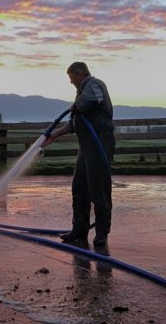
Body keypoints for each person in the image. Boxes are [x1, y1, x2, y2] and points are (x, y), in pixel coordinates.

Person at [42, 61, 114, 247]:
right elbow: (74, 122)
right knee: (79, 187)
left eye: (71, 77)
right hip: (86, 146)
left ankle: (102, 233)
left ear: (80, 73)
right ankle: (79, 230)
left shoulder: (94, 85)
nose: (70, 81)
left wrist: (77, 105)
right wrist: (54, 135)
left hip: (100, 144)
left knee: (99, 189)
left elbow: (89, 101)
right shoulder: (81, 93)